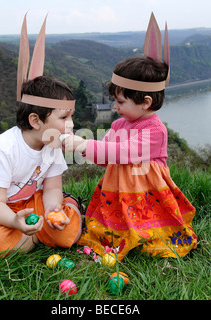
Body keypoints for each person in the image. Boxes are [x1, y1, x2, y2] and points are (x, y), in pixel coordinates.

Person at [63, 14, 197, 261]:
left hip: (147, 193)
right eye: (115, 100)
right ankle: (116, 233)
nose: (115, 106)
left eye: (121, 101)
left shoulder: (155, 131)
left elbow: (123, 153)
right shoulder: (118, 124)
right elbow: (107, 157)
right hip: (119, 191)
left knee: (151, 228)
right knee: (112, 223)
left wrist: (84, 143)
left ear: (146, 102)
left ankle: (144, 236)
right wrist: (82, 148)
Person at [0, 15, 82, 256]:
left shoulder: (51, 145)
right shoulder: (3, 149)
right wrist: (14, 222)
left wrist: (54, 210)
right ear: (35, 120)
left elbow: (52, 187)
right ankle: (30, 235)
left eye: (71, 117)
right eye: (63, 118)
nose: (70, 125)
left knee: (68, 232)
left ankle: (69, 206)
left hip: (36, 202)